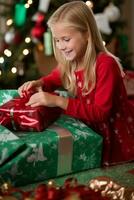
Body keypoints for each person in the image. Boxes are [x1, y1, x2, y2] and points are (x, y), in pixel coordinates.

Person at [18, 1, 134, 166]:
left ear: (87, 34)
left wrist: (57, 101)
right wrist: (40, 82)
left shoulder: (105, 64)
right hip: (90, 130)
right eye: (57, 40)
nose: (61, 46)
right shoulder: (70, 62)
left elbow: (101, 113)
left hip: (115, 135)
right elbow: (53, 78)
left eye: (66, 39)